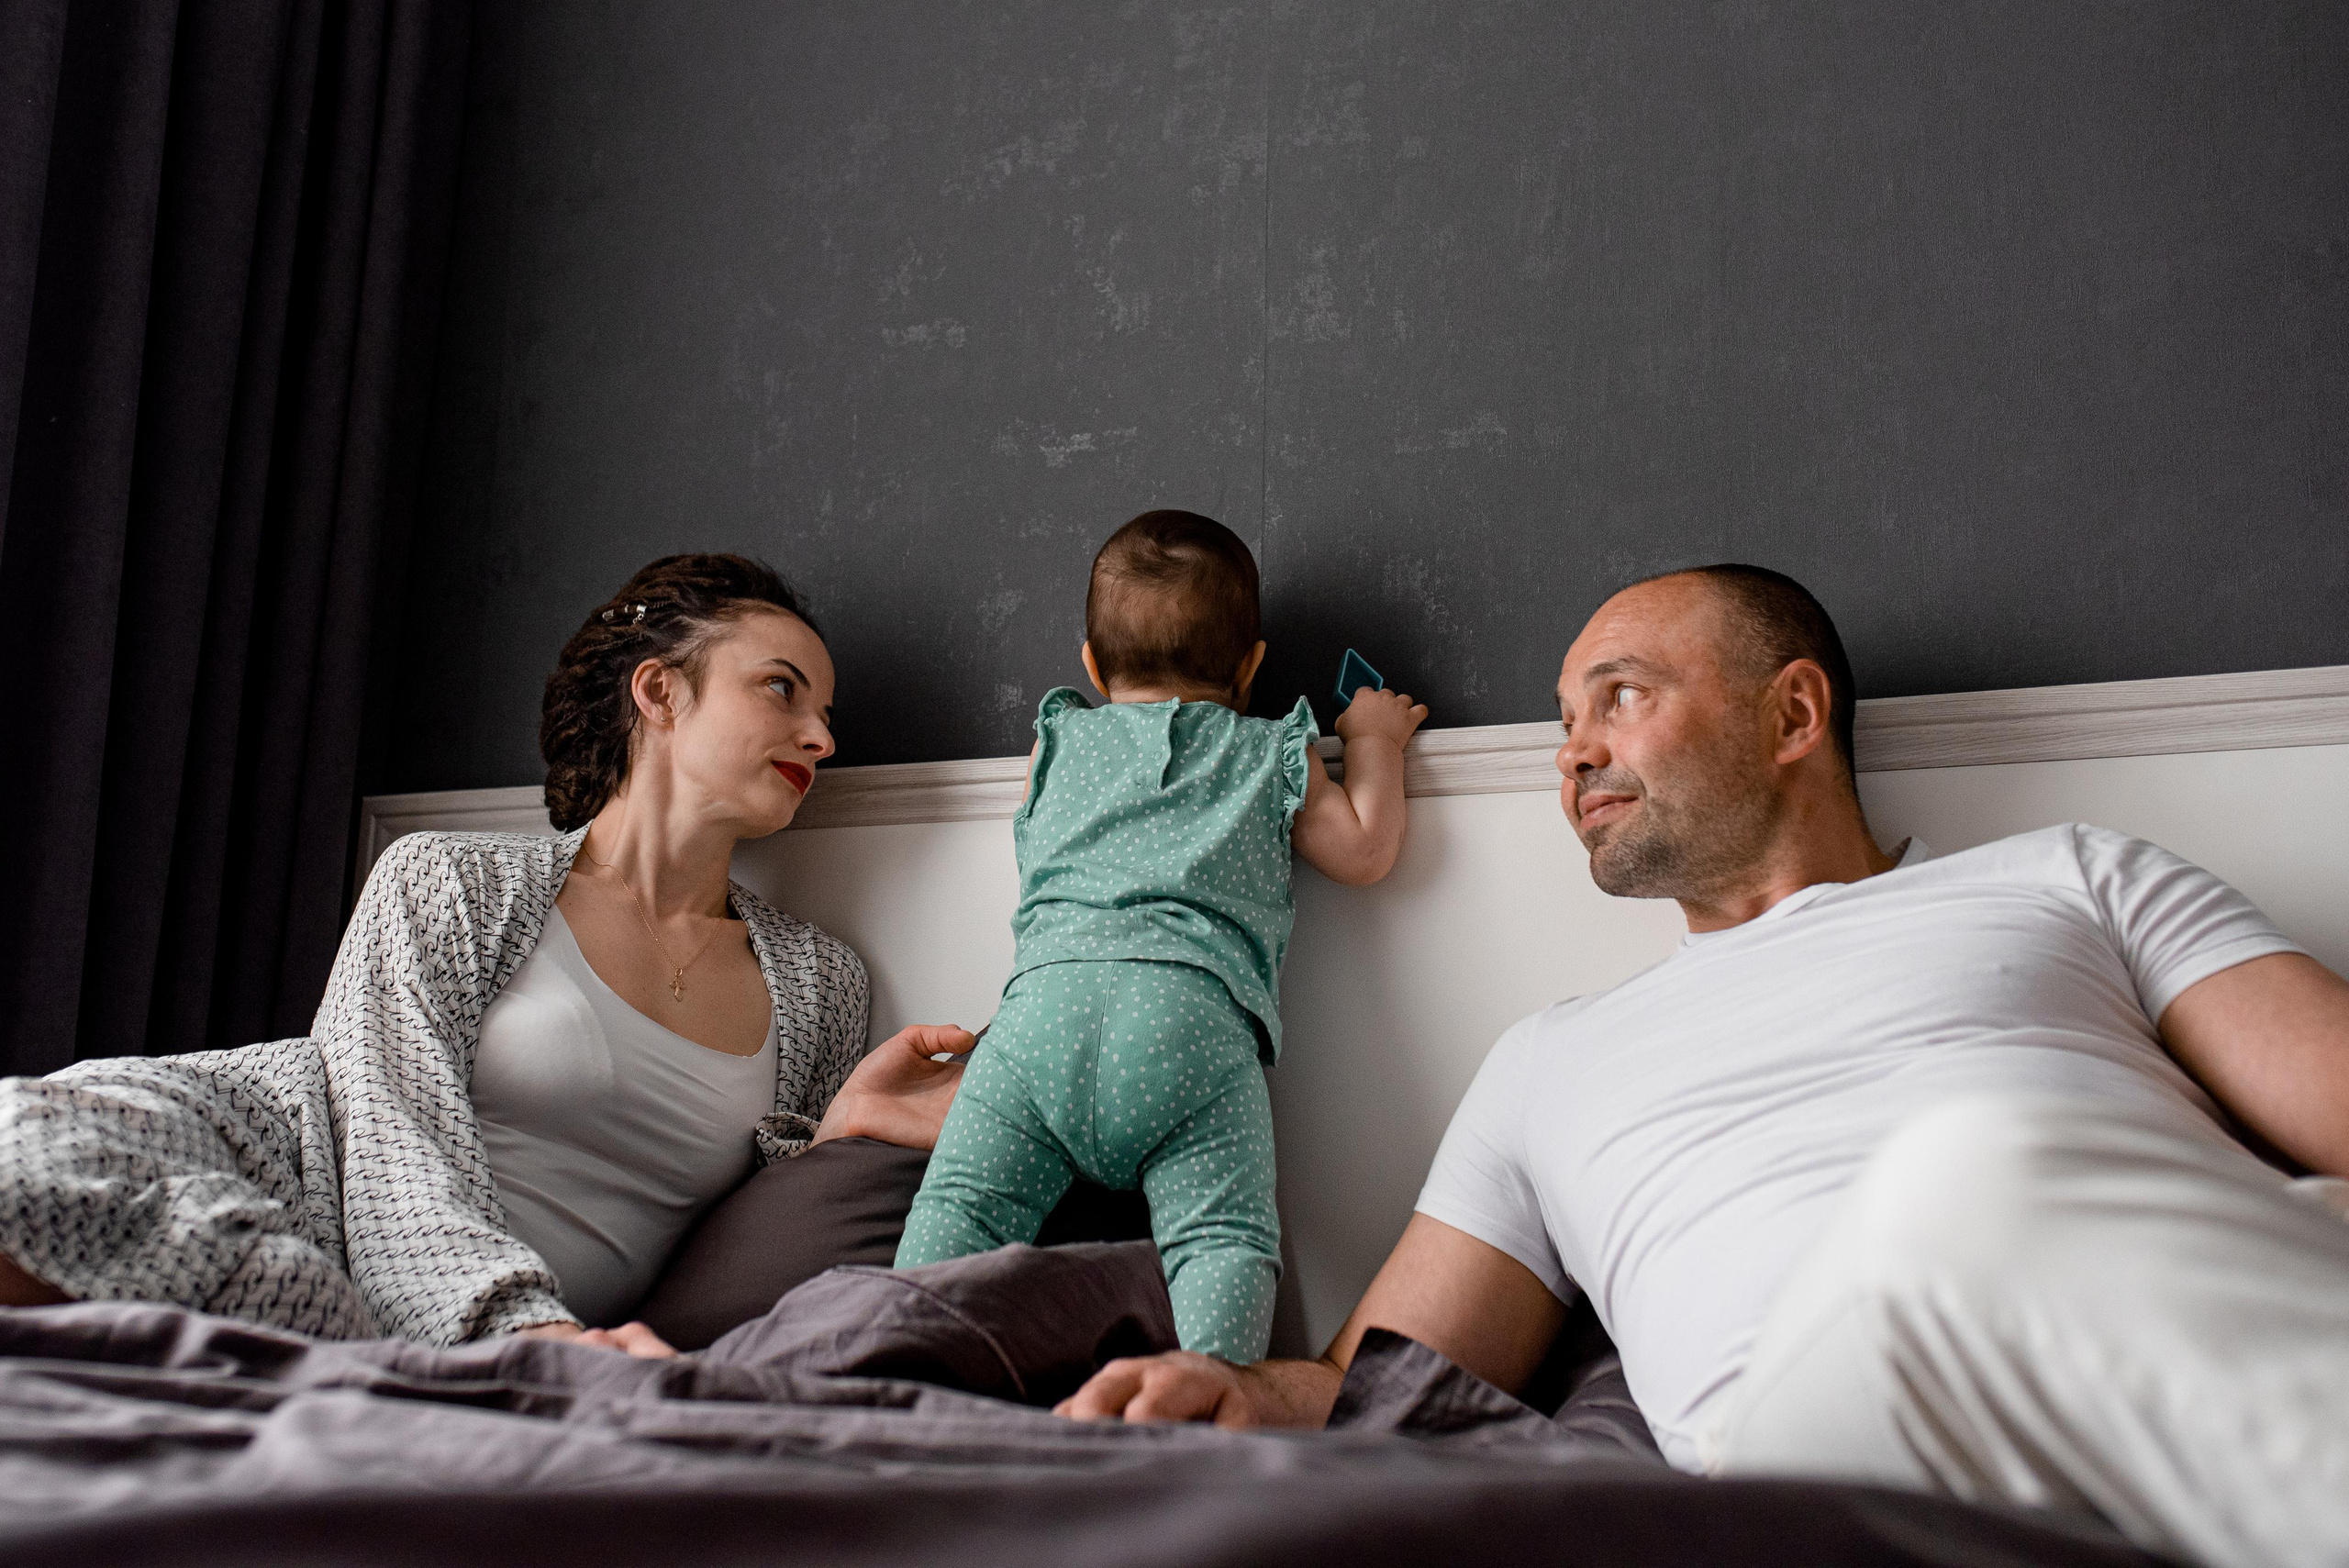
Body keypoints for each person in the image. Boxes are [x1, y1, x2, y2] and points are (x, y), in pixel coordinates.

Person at [1058, 563, 2349, 1568]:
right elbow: (1369, 1381)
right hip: (1823, 1480)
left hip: (2159, 1348)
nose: (1569, 753)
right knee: (1968, 1178)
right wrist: (1226, 1392)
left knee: (1995, 1176)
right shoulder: (1548, 1062)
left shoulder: (2068, 877)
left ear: (1793, 712)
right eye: (1564, 721)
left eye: (1619, 696)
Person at [0, 554, 971, 1354]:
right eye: (782, 689)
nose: (822, 736)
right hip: (274, 1168)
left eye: (828, 712)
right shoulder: (446, 878)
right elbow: (388, 1142)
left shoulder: (820, 981)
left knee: (261, 1322)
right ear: (659, 691)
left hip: (391, 1317)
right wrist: (527, 1332)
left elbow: (766, 1233)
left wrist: (839, 1138)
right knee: (34, 1177)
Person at [894, 510, 1429, 1362]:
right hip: (1187, 1027)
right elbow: (1364, 850)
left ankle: (896, 1365)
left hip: (1037, 1027)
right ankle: (1209, 1398)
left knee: (961, 1209)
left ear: (1092, 666)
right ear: (1253, 664)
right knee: (1221, 1240)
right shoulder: (1269, 751)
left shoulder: (1058, 741)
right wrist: (1372, 740)